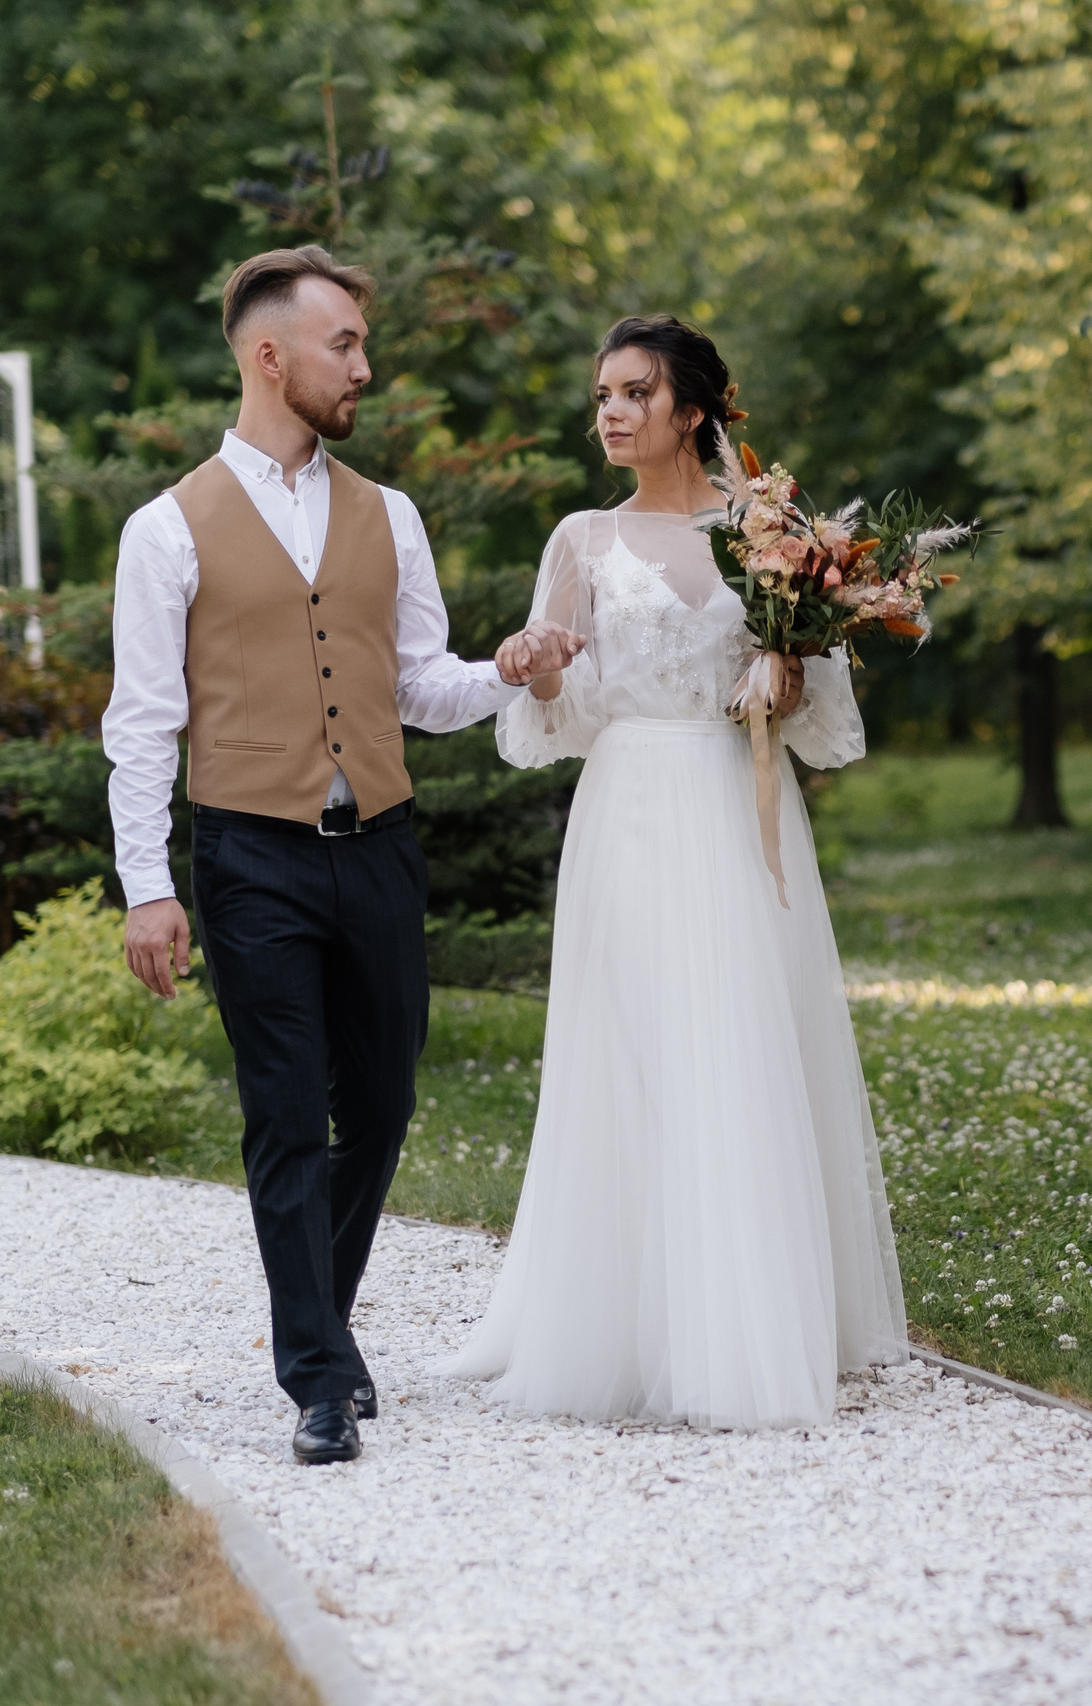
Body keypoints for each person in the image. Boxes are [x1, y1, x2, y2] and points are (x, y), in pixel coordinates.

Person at [103, 245, 577, 1466]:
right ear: (271, 356)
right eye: (345, 344)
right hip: (249, 857)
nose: (366, 364)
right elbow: (142, 721)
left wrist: (506, 671)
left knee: (380, 1098)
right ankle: (315, 1370)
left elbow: (419, 685)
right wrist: (149, 886)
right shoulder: (166, 530)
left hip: (378, 846)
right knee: (282, 1115)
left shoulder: (390, 514)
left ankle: (327, 1315)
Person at [441, 315, 907, 1428]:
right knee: (635, 1047)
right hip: (631, 807)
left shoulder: (770, 534)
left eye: (634, 392)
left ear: (691, 410)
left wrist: (787, 685)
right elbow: (548, 716)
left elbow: (823, 713)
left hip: (739, 806)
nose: (609, 411)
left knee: (743, 1039)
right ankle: (623, 1322)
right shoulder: (580, 541)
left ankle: (753, 1322)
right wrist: (535, 668)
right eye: (602, 393)